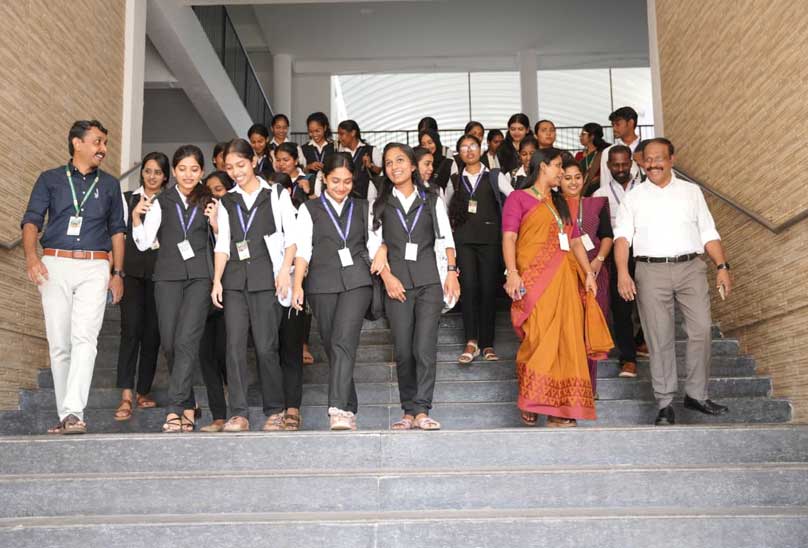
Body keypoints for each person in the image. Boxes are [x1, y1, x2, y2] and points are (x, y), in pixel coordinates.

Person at [614, 138, 732, 426]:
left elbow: (708, 231)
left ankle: (696, 394)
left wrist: (722, 266)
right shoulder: (633, 197)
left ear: (671, 160)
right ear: (642, 162)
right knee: (659, 337)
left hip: (691, 268)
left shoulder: (692, 192)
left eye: (659, 158)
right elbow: (622, 238)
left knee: (701, 329)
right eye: (648, 159)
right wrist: (623, 273)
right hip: (650, 271)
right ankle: (665, 402)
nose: (653, 164)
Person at [21, 119, 125, 435]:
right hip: (55, 264)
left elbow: (117, 231)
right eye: (97, 141)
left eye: (105, 143)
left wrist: (117, 273)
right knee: (59, 343)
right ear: (77, 143)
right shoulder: (50, 179)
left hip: (95, 266)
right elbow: (31, 221)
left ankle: (73, 413)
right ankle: (65, 413)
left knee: (85, 339)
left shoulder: (110, 185)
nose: (103, 149)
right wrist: (31, 257)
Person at [502, 147, 612, 428]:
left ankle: (560, 411)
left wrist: (588, 274)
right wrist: (512, 273)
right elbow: (510, 237)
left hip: (565, 282)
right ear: (543, 167)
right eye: (558, 166)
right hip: (534, 282)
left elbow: (574, 241)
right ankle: (530, 399)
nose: (562, 172)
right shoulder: (518, 198)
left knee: (566, 343)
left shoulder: (560, 203)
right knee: (537, 340)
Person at [370, 143, 460, 431]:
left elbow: (445, 238)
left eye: (400, 160)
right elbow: (374, 245)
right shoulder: (381, 204)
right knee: (404, 350)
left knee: (424, 348)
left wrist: (452, 273)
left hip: (429, 282)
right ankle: (408, 411)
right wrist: (387, 277)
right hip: (397, 286)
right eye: (388, 163)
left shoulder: (431, 199)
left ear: (412, 166)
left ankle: (421, 410)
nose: (394, 166)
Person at [210, 139, 297, 433]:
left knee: (265, 346)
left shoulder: (275, 194)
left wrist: (284, 272)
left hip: (266, 279)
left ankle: (275, 410)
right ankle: (238, 413)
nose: (236, 172)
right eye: (230, 167)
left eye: (241, 165)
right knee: (233, 347)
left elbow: (292, 237)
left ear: (254, 162)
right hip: (235, 280)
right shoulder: (227, 201)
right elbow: (223, 244)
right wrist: (217, 280)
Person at [291, 153, 376, 431]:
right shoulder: (310, 209)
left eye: (347, 181)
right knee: (332, 344)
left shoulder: (363, 207)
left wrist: (382, 256)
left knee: (343, 340)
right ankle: (349, 407)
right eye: (336, 180)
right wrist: (297, 285)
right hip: (321, 282)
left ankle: (337, 408)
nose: (341, 187)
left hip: (357, 280)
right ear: (324, 179)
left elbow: (376, 242)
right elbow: (303, 249)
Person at [132, 144, 213, 433]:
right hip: (167, 277)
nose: (188, 174)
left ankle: (175, 409)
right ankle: (189, 403)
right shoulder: (161, 201)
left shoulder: (210, 201)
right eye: (182, 169)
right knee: (169, 342)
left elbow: (223, 241)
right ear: (174, 172)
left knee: (186, 341)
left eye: (194, 169)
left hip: (199, 278)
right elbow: (144, 242)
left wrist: (216, 224)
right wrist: (136, 217)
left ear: (202, 172)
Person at [446, 134, 512, 364]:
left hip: (490, 240)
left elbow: (513, 199)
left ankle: (487, 343)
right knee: (469, 288)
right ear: (459, 153)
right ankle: (471, 341)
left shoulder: (494, 175)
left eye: (473, 145)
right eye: (464, 147)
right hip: (463, 241)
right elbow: (445, 209)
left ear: (481, 148)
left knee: (487, 290)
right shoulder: (455, 179)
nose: (469, 150)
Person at [114, 152, 169, 422]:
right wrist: (116, 271)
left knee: (153, 334)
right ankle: (126, 393)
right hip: (132, 274)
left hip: (160, 276)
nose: (152, 176)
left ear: (165, 176)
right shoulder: (127, 199)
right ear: (142, 173)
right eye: (148, 171)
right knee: (131, 330)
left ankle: (143, 391)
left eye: (157, 172)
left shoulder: (170, 202)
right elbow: (118, 236)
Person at [560, 160, 613, 397]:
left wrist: (598, 261)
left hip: (596, 271)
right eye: (567, 178)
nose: (573, 182)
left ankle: (590, 387)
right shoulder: (552, 205)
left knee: (591, 328)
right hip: (565, 273)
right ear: (559, 180)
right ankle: (572, 384)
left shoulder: (597, 203)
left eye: (577, 177)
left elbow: (607, 236)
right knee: (569, 330)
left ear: (584, 179)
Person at [593, 145, 645, 377]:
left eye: (625, 164)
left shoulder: (644, 190)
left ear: (631, 163)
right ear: (608, 166)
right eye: (616, 165)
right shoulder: (600, 195)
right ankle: (628, 358)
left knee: (650, 303)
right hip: (617, 255)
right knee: (621, 309)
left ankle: (641, 340)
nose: (622, 168)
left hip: (645, 252)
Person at [197, 171, 233, 432]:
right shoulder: (196, 216)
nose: (213, 196)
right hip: (199, 293)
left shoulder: (236, 213)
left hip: (229, 293)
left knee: (225, 352)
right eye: (209, 191)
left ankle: (236, 407)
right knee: (205, 356)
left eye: (219, 189)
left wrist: (218, 227)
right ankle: (218, 416)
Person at [336, 119, 382, 201]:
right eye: (338, 135)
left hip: (367, 197)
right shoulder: (338, 153)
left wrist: (370, 166)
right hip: (344, 196)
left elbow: (379, 171)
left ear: (353, 133)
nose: (339, 138)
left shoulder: (371, 150)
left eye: (342, 134)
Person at [599, 106, 642, 193]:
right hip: (616, 199)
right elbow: (605, 183)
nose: (614, 129)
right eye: (613, 125)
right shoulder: (608, 152)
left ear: (630, 123)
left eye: (617, 124)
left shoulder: (648, 149)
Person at [576, 123, 610, 195]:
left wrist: (598, 179)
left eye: (583, 134)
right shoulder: (579, 155)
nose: (580, 136)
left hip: (599, 191)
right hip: (580, 191)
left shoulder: (604, 153)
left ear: (592, 136)